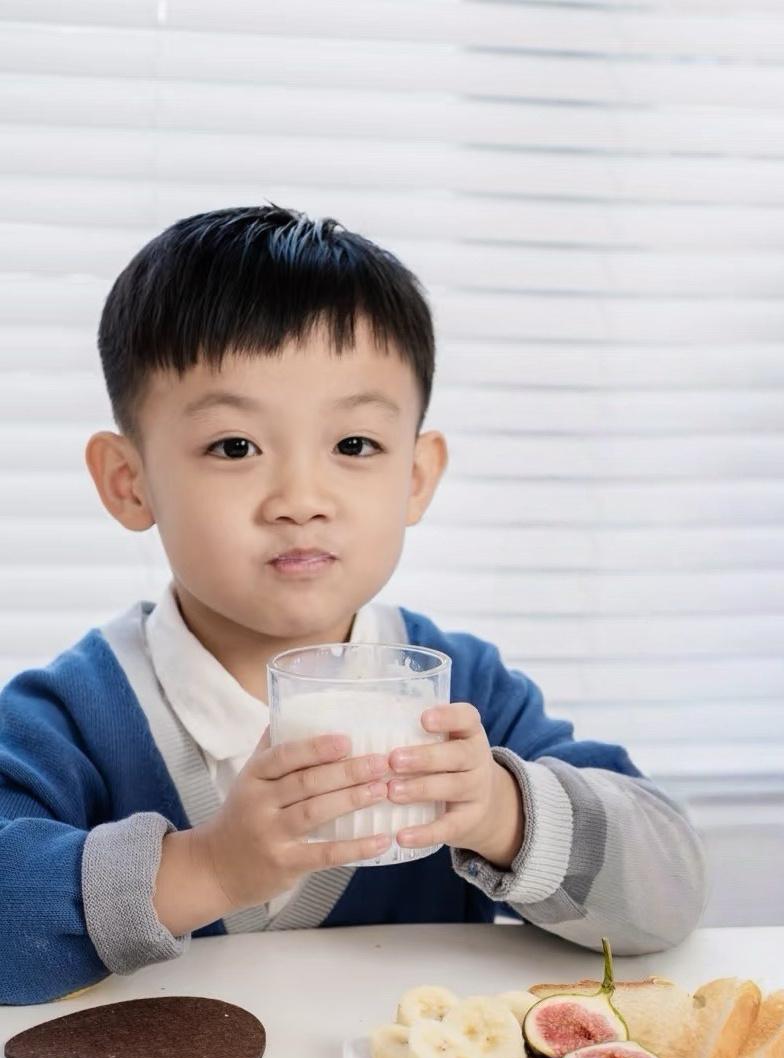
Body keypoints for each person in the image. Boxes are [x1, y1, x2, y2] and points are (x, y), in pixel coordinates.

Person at [0, 206, 706, 1006]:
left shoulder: (462, 694)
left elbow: (671, 890)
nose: (301, 499)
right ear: (129, 482)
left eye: (354, 446)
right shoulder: (68, 716)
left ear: (415, 475)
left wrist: (501, 811)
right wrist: (210, 867)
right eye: (235, 447)